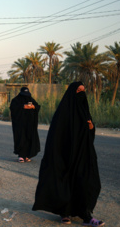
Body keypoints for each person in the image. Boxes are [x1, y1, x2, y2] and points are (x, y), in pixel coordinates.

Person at [32, 82, 104, 226]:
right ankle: (64, 212)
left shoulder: (84, 110)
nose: (81, 94)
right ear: (72, 93)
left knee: (85, 182)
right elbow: (56, 136)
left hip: (82, 155)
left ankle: (86, 215)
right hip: (64, 156)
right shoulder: (63, 112)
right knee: (64, 182)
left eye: (83, 91)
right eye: (78, 91)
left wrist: (91, 128)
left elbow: (89, 135)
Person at [10, 87, 41, 163]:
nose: (26, 97)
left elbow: (37, 106)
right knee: (21, 138)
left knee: (29, 138)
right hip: (20, 125)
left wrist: (33, 107)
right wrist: (23, 107)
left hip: (30, 124)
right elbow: (13, 108)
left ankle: (27, 155)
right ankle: (21, 155)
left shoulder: (31, 99)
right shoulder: (15, 100)